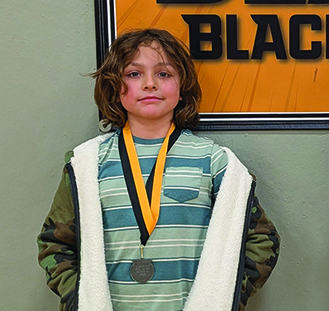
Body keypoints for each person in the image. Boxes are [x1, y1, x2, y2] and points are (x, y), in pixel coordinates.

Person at [38, 29, 280, 311]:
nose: (150, 83)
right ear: (114, 87)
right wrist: (79, 300)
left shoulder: (214, 162)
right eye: (134, 74)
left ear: (182, 87)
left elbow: (262, 239)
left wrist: (225, 298)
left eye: (164, 74)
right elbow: (55, 242)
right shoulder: (88, 164)